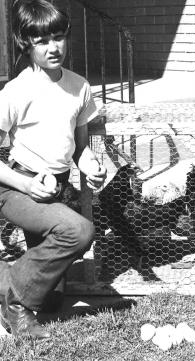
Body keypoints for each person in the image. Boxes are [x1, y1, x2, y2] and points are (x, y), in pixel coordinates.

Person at [0, 0, 107, 340]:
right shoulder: (16, 92)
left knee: (50, 299)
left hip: (56, 187)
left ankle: (13, 286)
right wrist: (25, 185)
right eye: (42, 41)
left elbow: (80, 146)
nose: (53, 47)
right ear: (25, 43)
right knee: (78, 232)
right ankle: (14, 304)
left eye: (58, 37)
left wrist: (91, 165)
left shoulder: (80, 86)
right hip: (17, 186)